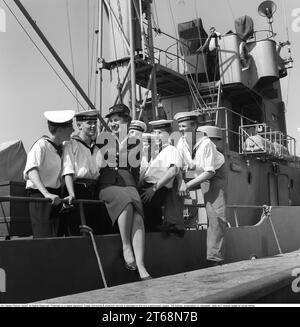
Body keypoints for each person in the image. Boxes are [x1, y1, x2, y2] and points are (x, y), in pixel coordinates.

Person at [98, 104, 151, 281]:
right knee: (126, 202)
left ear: (126, 121)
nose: (113, 124)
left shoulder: (135, 142)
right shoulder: (103, 139)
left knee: (137, 216)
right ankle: (126, 246)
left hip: (128, 183)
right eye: (111, 121)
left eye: (117, 120)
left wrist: (133, 186)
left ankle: (141, 265)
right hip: (108, 184)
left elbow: (135, 171)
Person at [174, 111, 227, 266]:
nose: (181, 129)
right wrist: (180, 183)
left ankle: (215, 258)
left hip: (214, 174)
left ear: (194, 126)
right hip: (195, 171)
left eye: (184, 126)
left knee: (215, 214)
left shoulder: (206, 144)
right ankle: (173, 223)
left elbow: (209, 172)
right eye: (179, 126)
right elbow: (177, 165)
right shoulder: (181, 142)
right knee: (169, 183)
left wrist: (187, 185)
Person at [24, 110, 75, 238]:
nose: (73, 130)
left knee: (57, 236)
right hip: (40, 196)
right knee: (45, 237)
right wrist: (46, 193)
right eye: (70, 127)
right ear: (60, 130)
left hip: (55, 196)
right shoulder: (41, 145)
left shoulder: (63, 147)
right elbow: (31, 170)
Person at [62, 109, 110, 235]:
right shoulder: (71, 144)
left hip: (95, 191)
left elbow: (102, 172)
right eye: (89, 123)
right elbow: (68, 171)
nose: (93, 126)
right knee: (78, 230)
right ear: (79, 125)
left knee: (98, 229)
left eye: (95, 122)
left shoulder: (98, 149)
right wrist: (72, 194)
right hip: (78, 190)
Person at [140, 120, 184, 234]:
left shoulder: (171, 149)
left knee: (148, 221)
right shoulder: (158, 152)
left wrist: (153, 189)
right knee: (148, 221)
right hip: (149, 186)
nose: (156, 135)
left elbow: (173, 170)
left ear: (168, 134)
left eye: (160, 132)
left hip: (156, 189)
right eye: (154, 132)